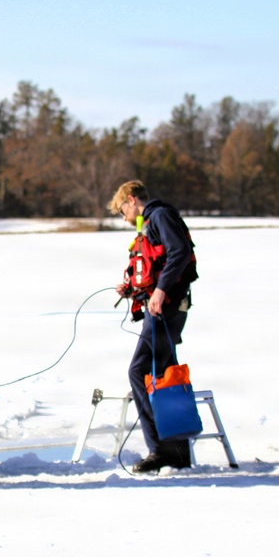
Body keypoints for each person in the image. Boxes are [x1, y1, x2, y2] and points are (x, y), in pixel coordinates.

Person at [108, 180, 199, 473]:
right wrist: (134, 291)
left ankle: (160, 449)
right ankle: (178, 452)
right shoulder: (149, 223)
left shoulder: (158, 216)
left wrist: (160, 291)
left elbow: (180, 251)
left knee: (139, 370)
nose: (123, 217)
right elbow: (156, 264)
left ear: (132, 200)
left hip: (167, 307)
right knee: (163, 375)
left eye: (122, 209)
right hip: (164, 304)